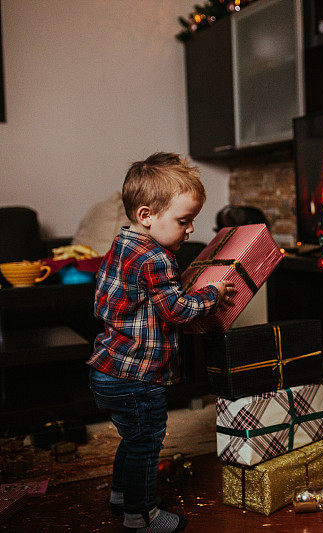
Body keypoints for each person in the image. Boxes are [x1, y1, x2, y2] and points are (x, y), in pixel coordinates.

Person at [87, 152, 235, 532]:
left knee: (132, 437)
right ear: (147, 215)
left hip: (107, 370)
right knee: (146, 443)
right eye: (183, 221)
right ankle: (141, 516)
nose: (188, 231)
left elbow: (108, 302)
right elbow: (178, 312)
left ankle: (122, 495)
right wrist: (212, 294)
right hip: (136, 377)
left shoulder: (120, 245)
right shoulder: (156, 257)